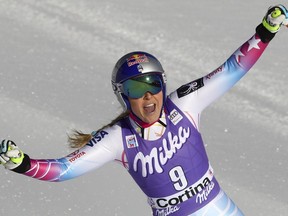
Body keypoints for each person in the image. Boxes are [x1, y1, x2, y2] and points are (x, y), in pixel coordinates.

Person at [1, 5, 287, 216]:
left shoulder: (185, 104)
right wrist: (23, 164)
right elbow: (64, 169)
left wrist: (265, 32)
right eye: (136, 90)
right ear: (123, 97)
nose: (148, 95)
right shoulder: (118, 138)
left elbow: (231, 69)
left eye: (153, 84)